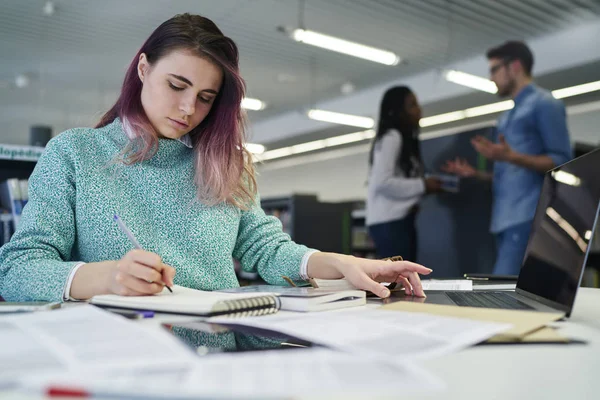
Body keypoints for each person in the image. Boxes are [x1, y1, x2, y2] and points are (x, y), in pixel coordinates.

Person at [0, 14, 432, 303]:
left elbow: (265, 248)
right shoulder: (75, 153)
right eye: (176, 85)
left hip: (224, 351)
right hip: (119, 354)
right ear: (144, 68)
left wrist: (338, 263)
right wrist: (106, 278)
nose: (188, 109)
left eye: (206, 98)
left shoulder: (228, 162)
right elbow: (18, 270)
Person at [443, 41, 572, 275]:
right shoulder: (506, 116)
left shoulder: (545, 104)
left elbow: (562, 160)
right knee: (510, 290)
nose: (491, 77)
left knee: (505, 290)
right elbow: (511, 176)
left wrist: (511, 157)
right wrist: (477, 174)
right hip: (504, 219)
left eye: (494, 69)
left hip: (529, 216)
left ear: (514, 66)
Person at [366, 86, 442, 260]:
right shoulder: (392, 137)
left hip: (398, 220)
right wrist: (423, 185)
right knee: (400, 279)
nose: (419, 110)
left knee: (403, 277)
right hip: (390, 223)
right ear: (398, 111)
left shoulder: (402, 140)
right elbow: (382, 182)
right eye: (412, 105)